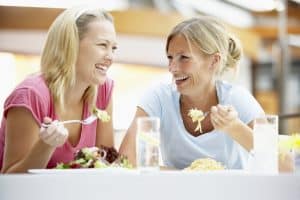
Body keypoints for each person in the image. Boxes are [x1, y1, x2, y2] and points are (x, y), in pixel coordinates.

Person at [119, 16, 265, 170]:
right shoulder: (159, 98)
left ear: (214, 61)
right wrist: (190, 176)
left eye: (184, 58)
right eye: (170, 58)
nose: (172, 68)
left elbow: (281, 162)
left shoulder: (237, 98)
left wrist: (234, 127)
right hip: (176, 193)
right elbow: (126, 160)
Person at [0, 6, 117, 173]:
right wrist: (46, 145)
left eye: (114, 48)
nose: (110, 57)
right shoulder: (30, 96)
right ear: (71, 45)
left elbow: (107, 164)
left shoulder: (103, 90)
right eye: (102, 45)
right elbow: (10, 181)